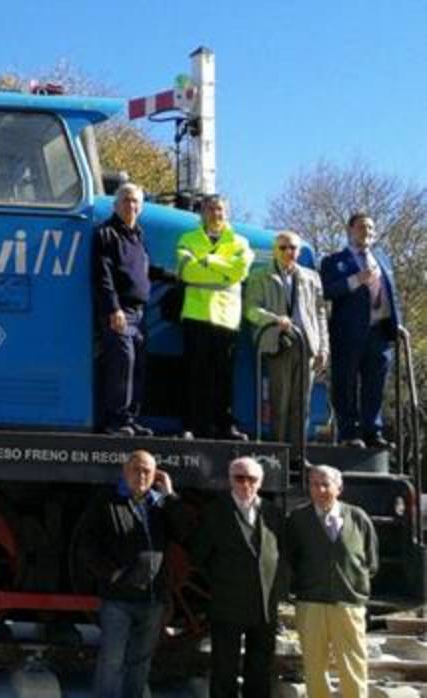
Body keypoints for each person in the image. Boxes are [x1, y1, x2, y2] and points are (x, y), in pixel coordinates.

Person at [79, 449, 185, 698]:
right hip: (118, 598)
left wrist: (169, 493)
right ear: (125, 472)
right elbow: (87, 543)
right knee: (111, 661)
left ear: (155, 475)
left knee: (140, 662)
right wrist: (112, 575)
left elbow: (183, 531)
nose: (141, 475)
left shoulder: (160, 504)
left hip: (152, 598)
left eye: (147, 471)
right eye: (136, 470)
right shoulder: (107, 501)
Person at [191, 457, 284, 698]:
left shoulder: (273, 512)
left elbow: (283, 555)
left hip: (263, 606)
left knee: (260, 669)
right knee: (224, 669)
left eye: (251, 479)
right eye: (239, 478)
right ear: (230, 480)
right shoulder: (214, 511)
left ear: (260, 482)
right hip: (227, 603)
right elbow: (199, 554)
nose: (245, 484)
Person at [283, 465, 378, 698]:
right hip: (311, 604)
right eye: (315, 484)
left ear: (339, 488)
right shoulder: (297, 519)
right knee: (314, 666)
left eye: (326, 484)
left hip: (348, 604)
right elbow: (289, 558)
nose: (320, 489)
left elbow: (371, 561)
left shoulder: (358, 517)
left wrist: (354, 587)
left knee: (353, 664)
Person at [91, 183, 173, 436]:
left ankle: (130, 419)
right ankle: (115, 421)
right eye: (126, 200)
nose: (132, 205)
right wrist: (113, 309)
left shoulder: (137, 235)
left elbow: (144, 269)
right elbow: (102, 275)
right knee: (121, 364)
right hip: (120, 312)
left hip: (140, 313)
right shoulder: (106, 233)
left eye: (136, 201)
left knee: (137, 366)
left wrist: (174, 275)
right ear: (116, 205)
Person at [320, 213, 402, 449]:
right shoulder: (334, 261)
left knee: (375, 384)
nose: (367, 232)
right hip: (348, 333)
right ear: (350, 230)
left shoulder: (383, 259)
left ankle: (372, 431)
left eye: (371, 228)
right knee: (345, 384)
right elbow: (326, 291)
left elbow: (391, 295)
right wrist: (355, 280)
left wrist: (398, 324)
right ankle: (349, 432)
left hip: (379, 332)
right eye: (362, 227)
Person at [176, 195, 254, 440]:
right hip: (196, 314)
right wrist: (223, 270)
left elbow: (240, 271)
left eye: (219, 209)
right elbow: (187, 272)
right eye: (210, 209)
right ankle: (191, 425)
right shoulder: (187, 239)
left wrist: (208, 260)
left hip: (227, 317)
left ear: (226, 213)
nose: (215, 214)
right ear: (201, 213)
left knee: (224, 375)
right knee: (194, 373)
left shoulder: (241, 243)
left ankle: (223, 425)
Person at [243, 231, 329, 446]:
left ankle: (299, 454)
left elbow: (320, 314)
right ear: (275, 250)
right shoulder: (260, 275)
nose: (288, 252)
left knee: (303, 403)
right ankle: (279, 450)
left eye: (293, 248)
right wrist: (273, 319)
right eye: (283, 247)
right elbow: (250, 309)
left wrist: (323, 348)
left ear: (298, 251)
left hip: (306, 346)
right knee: (279, 401)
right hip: (277, 344)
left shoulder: (311, 277)